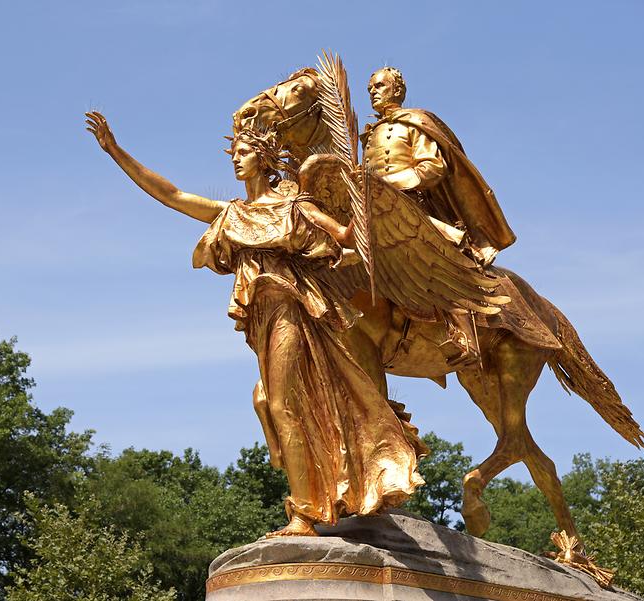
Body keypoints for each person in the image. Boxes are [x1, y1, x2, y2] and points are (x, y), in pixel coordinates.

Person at [85, 111, 424, 536]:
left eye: (244, 153)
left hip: (292, 312)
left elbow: (344, 235)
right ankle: (317, 499)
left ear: (264, 159)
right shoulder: (231, 214)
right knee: (269, 403)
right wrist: (116, 151)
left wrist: (364, 193)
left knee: (280, 404)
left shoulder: (294, 207)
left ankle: (304, 514)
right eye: (236, 153)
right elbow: (171, 194)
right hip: (262, 323)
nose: (236, 160)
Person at [362, 67, 517, 365]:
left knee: (438, 257)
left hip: (412, 208)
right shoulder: (370, 135)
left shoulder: (414, 123)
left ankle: (464, 338)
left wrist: (392, 183)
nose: (373, 91)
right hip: (374, 211)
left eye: (380, 85)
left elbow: (433, 167)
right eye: (370, 88)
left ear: (397, 90)